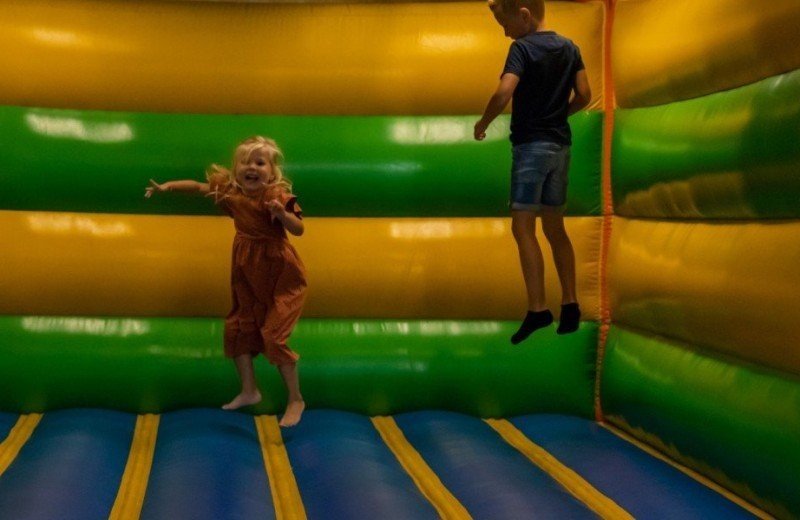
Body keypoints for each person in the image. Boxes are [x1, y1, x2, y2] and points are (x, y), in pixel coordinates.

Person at [145, 136, 307, 426]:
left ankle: (295, 399)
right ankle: (249, 390)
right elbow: (198, 187)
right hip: (246, 270)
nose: (252, 167)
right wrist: (168, 186)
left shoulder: (276, 196)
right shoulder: (232, 193)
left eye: (260, 162)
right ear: (236, 168)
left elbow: (299, 229)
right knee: (237, 328)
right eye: (246, 162)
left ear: (272, 170)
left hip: (280, 273)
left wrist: (282, 215)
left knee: (274, 335)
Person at [474, 0, 591, 344]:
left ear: (525, 15)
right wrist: (559, 116)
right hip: (560, 148)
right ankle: (570, 304)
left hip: (530, 148)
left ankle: (538, 308)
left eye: (506, 23)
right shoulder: (571, 48)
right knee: (555, 226)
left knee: (522, 226)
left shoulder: (521, 48)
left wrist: (483, 123)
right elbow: (585, 94)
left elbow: (504, 91)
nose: (505, 31)